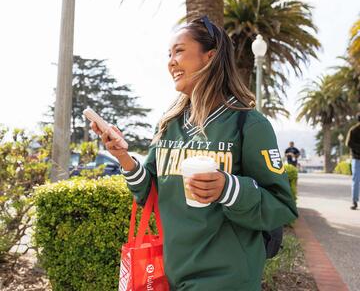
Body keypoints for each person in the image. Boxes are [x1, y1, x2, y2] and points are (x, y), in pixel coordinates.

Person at [91, 16, 298, 291]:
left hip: (228, 277)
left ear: (209, 58)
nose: (171, 62)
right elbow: (150, 191)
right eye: (169, 54)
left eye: (179, 51)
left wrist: (228, 188)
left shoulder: (248, 123)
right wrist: (123, 157)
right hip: (172, 271)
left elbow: (281, 206)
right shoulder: (169, 123)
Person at [345, 113, 360, 210]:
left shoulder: (353, 130)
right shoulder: (354, 130)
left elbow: (348, 143)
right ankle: (354, 201)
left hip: (356, 158)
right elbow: (349, 143)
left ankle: (354, 202)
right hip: (357, 158)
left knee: (355, 180)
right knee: (355, 180)